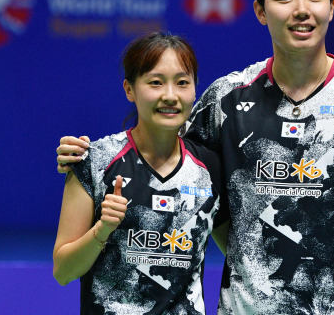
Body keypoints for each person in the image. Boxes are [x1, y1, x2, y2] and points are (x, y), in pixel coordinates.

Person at [57, 0, 334, 314]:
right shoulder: (225, 101)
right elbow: (164, 166)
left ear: (331, 7)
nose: (302, 10)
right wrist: (83, 159)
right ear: (260, 11)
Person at [53, 32, 228, 314]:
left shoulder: (211, 169)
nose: (170, 96)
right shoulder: (94, 162)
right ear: (129, 90)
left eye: (182, 83)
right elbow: (62, 271)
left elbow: (238, 253)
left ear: (195, 90)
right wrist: (103, 229)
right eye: (155, 82)